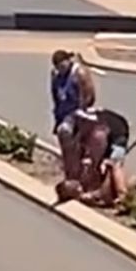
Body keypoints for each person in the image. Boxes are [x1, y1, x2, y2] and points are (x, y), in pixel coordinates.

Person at [50, 50, 97, 180]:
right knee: (64, 142)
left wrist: (80, 112)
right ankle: (69, 171)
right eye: (58, 68)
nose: (61, 70)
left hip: (77, 112)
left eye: (62, 67)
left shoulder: (79, 73)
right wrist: (57, 111)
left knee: (65, 133)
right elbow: (55, 93)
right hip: (62, 112)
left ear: (68, 61)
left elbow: (89, 95)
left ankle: (77, 172)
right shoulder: (55, 75)